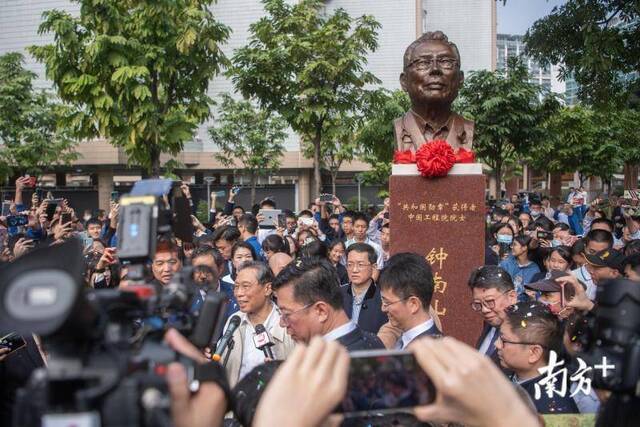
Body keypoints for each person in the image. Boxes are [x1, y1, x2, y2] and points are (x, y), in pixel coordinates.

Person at [271, 257, 384, 350]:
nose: (282, 323)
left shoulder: (328, 367)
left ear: (321, 311)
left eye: (286, 314)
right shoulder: (373, 342)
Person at [218, 261, 294, 388]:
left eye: (246, 286)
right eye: (236, 287)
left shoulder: (286, 324)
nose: (238, 293)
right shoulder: (235, 320)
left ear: (267, 289)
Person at [496, 301, 579, 414]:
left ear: (534, 353)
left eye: (503, 340)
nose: (496, 344)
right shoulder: (508, 376)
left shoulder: (553, 410)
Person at [379, 253, 441, 349]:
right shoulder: (404, 339)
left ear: (413, 304)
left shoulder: (430, 353)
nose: (383, 308)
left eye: (387, 302)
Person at [467, 265, 517, 366]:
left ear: (511, 297)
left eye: (490, 302)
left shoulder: (526, 335)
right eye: (478, 304)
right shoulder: (490, 324)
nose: (484, 310)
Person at [340, 243, 388, 335]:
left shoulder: (384, 298)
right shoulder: (337, 295)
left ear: (373, 267)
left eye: (360, 265)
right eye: (350, 264)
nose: (354, 270)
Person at [191, 246, 238, 321]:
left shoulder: (236, 293)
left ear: (220, 269)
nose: (203, 276)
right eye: (198, 270)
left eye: (208, 270)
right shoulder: (185, 299)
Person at [571, 229, 614, 300]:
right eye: (592, 251)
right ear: (585, 247)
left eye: (602, 253)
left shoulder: (616, 277)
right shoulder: (572, 277)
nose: (596, 256)